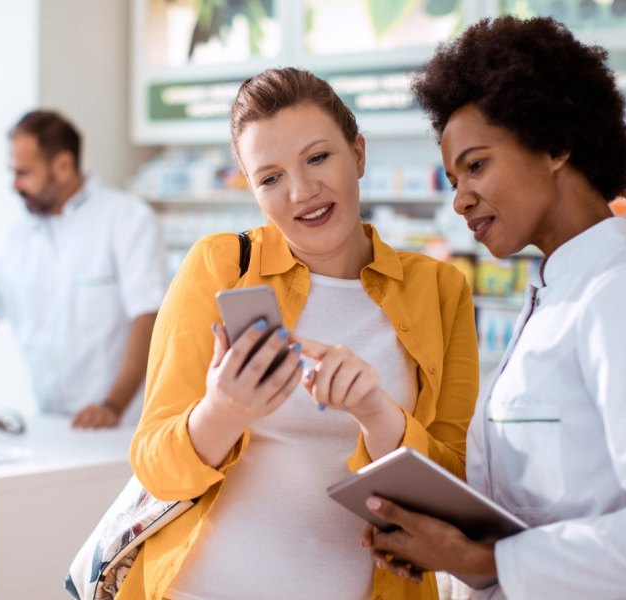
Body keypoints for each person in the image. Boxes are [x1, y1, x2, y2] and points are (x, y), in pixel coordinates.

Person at [362, 15, 626, 599]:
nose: (460, 199)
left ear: (555, 144)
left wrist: (491, 561)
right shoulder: (554, 298)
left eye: (476, 165)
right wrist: (452, 547)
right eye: (452, 178)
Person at [121, 67, 479, 600]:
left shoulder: (439, 289)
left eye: (318, 158)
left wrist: (378, 415)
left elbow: (457, 491)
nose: (302, 191)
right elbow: (154, 462)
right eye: (270, 178)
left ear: (357, 154)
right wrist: (222, 412)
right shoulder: (219, 266)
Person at [0, 110, 168, 429]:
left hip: (123, 424)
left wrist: (113, 405)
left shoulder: (127, 219)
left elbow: (148, 317)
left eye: (23, 173)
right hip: (54, 424)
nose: (14, 184)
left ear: (63, 166)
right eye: (12, 172)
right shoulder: (18, 238)